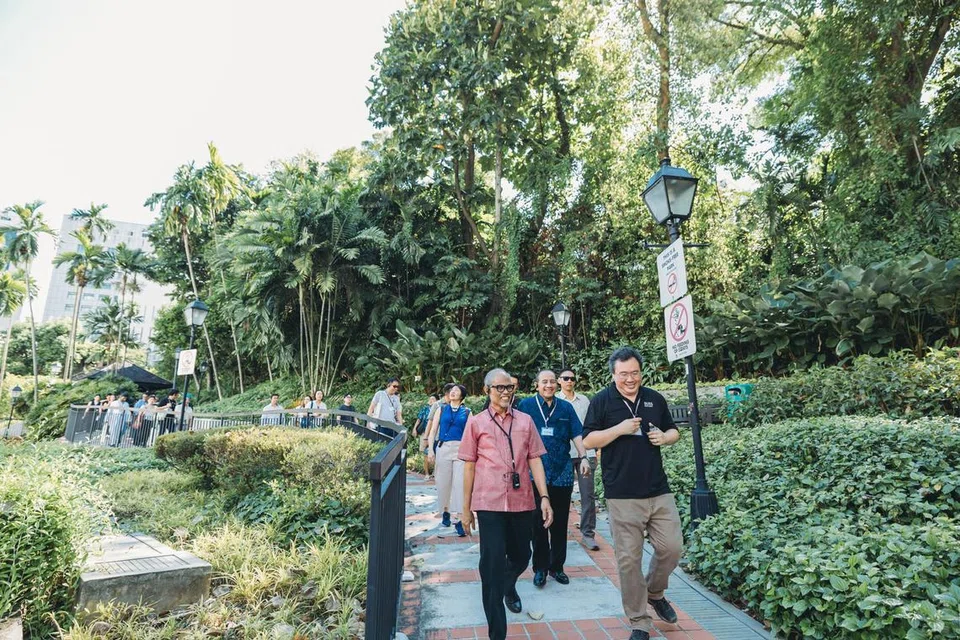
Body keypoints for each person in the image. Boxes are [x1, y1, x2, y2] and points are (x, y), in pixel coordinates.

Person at [582, 347, 683, 640]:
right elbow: (589, 439)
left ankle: (654, 592)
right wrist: (619, 429)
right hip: (622, 494)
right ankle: (639, 621)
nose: (630, 379)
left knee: (672, 548)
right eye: (624, 374)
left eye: (635, 373)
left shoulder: (654, 398)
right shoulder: (603, 401)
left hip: (658, 490)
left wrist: (665, 438)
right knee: (629, 560)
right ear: (614, 374)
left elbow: (673, 431)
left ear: (641, 372)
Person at [459, 368, 553, 640]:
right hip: (488, 503)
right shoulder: (476, 423)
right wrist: (465, 510)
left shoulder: (525, 421)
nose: (505, 392)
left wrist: (544, 497)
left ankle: (506, 584)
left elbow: (535, 459)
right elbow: (468, 467)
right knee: (491, 564)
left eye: (509, 387)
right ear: (487, 391)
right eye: (499, 388)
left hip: (522, 500)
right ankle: (496, 631)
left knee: (523, 555)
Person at [517, 370, 588, 587]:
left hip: (561, 472)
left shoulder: (566, 407)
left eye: (551, 381)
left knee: (559, 522)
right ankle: (540, 568)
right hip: (533, 473)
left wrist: (584, 456)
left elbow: (576, 433)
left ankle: (557, 567)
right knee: (537, 523)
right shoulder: (526, 406)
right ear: (537, 385)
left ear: (556, 384)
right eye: (544, 382)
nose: (548, 385)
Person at [559, 368, 598, 550]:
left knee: (587, 495)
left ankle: (588, 534)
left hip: (586, 454)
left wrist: (597, 449)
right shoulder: (555, 400)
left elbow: (592, 425)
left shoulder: (584, 400)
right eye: (565, 378)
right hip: (564, 455)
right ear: (559, 381)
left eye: (572, 378)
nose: (569, 381)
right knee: (560, 496)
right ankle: (557, 532)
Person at [427, 385, 471, 535]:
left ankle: (458, 518)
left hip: (461, 450)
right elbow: (433, 431)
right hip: (443, 447)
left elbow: (471, 435)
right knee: (443, 483)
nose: (453, 392)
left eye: (456, 391)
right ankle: (445, 510)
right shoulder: (441, 409)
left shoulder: (467, 412)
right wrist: (431, 450)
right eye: (451, 390)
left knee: (460, 484)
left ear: (462, 395)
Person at [414, 394, 438, 478]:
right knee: (425, 453)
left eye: (433, 399)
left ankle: (435, 472)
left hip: (435, 433)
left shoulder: (438, 409)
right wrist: (414, 429)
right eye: (430, 399)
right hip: (424, 433)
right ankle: (426, 473)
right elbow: (419, 419)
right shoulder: (425, 408)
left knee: (436, 453)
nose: (431, 400)